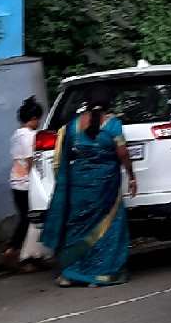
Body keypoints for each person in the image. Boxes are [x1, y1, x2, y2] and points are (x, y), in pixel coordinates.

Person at [40, 90, 137, 287]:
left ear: (87, 103)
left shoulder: (73, 125)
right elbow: (122, 152)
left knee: (77, 228)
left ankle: (69, 274)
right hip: (105, 184)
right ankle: (100, 274)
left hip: (79, 184)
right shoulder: (112, 124)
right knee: (108, 227)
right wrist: (131, 175)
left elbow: (63, 158)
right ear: (108, 104)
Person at [6, 96, 44, 269]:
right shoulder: (30, 136)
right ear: (34, 118)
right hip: (26, 183)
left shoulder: (16, 134)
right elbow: (30, 160)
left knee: (27, 218)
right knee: (30, 219)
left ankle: (27, 254)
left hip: (16, 182)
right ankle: (14, 250)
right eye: (38, 120)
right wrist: (37, 181)